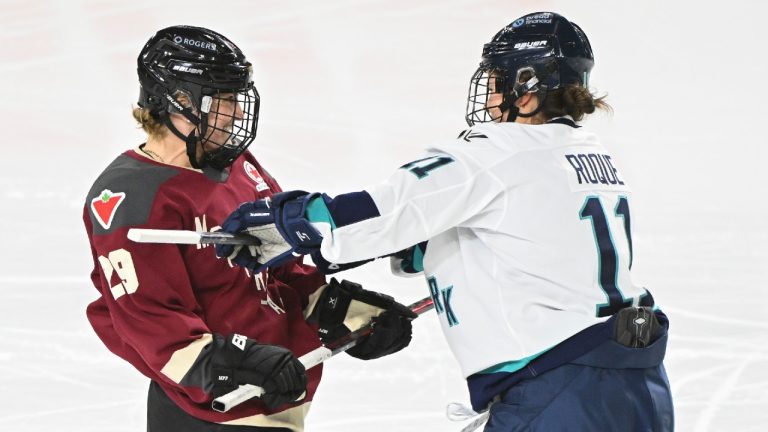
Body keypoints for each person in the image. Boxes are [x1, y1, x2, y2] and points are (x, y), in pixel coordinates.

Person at [214, 12, 675, 431]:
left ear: (527, 85)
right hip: (638, 384)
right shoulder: (593, 156)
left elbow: (380, 212)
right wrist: (426, 248)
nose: (491, 94)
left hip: (558, 391)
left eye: (497, 80)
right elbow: (524, 235)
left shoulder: (493, 153)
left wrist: (287, 223)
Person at [83, 25, 415, 432]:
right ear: (179, 101)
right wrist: (235, 364)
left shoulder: (237, 165)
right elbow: (152, 325)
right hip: (213, 415)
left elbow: (280, 265)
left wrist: (346, 312)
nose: (239, 112)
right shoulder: (130, 198)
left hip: (274, 401)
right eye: (223, 100)